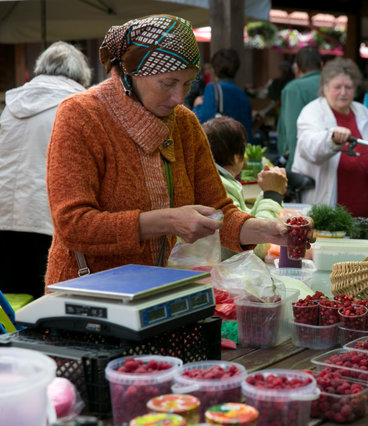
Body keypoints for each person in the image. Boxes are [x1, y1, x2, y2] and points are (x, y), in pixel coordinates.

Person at [45, 14, 306, 287]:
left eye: (187, 84)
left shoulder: (185, 124)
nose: (179, 98)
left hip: (160, 291)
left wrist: (264, 230)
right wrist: (168, 221)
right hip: (87, 296)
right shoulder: (81, 116)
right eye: (168, 83)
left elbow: (218, 212)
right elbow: (73, 225)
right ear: (131, 74)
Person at [0, 41, 91, 299]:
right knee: (43, 304)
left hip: (4, 217)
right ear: (81, 75)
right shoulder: (76, 105)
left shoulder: (12, 104)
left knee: (11, 304)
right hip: (45, 221)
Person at [292, 57, 368, 219]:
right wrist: (332, 139)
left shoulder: (363, 112)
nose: (343, 93)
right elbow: (309, 148)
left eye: (348, 87)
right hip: (329, 210)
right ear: (325, 88)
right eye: (337, 87)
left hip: (367, 215)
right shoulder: (312, 112)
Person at [202, 116, 287, 260]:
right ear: (237, 157)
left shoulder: (211, 178)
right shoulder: (219, 186)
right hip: (221, 276)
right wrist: (273, 195)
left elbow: (243, 222)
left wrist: (266, 191)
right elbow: (257, 246)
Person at [277, 46, 322, 172]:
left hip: (303, 164)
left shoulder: (294, 88)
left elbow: (292, 132)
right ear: (322, 65)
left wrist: (291, 167)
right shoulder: (333, 85)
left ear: (296, 68)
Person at [193, 48, 253, 138]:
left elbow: (202, 119)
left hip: (221, 147)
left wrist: (197, 105)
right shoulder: (242, 94)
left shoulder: (212, 88)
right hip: (240, 147)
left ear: (214, 68)